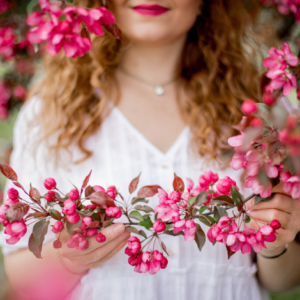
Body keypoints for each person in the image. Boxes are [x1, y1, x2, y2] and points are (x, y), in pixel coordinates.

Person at [1, 0, 300, 299]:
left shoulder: (260, 111)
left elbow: (285, 280)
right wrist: (69, 259)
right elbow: (23, 278)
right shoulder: (49, 116)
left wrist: (274, 243)